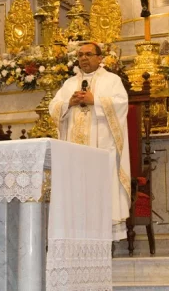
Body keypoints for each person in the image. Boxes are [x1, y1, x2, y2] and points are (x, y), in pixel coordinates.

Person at [50, 42, 131, 241]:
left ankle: (104, 237)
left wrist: (95, 100)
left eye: (88, 54)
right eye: (80, 55)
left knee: (100, 190)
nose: (84, 58)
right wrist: (69, 103)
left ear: (100, 58)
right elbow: (54, 107)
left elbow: (121, 104)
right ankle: (77, 236)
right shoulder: (69, 84)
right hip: (74, 153)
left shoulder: (112, 80)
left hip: (102, 148)